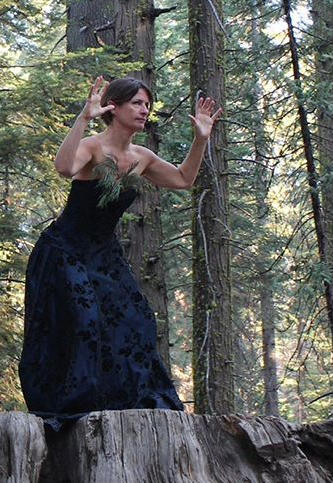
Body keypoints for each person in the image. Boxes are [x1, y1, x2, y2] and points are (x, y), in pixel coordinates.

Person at [20, 76, 222, 430]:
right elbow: (64, 167)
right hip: (64, 251)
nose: (145, 110)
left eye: (147, 104)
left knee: (137, 319)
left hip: (104, 254)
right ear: (114, 108)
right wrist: (83, 117)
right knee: (84, 322)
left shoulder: (141, 157)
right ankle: (76, 407)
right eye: (137, 103)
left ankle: (123, 403)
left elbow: (183, 180)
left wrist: (200, 139)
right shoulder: (93, 147)